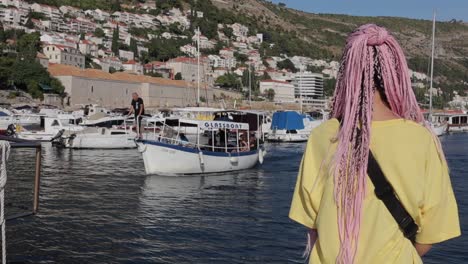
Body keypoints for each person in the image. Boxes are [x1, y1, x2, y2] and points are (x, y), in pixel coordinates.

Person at [289, 24, 460, 264]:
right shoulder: (422, 139)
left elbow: (313, 223)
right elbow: (432, 231)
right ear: (397, 71)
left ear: (348, 73)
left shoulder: (323, 136)